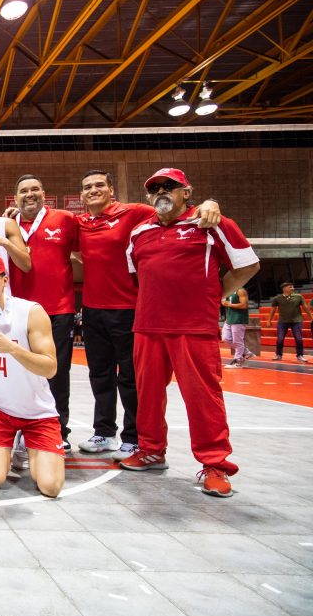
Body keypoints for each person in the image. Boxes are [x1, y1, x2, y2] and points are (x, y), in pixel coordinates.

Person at [121, 168, 259, 498]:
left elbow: (248, 265)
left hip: (193, 328)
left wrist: (215, 295)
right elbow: (136, 277)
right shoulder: (139, 232)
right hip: (148, 327)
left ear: (187, 192)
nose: (162, 192)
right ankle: (152, 450)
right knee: (148, 396)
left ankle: (215, 464)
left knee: (203, 398)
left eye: (170, 186)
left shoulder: (212, 223)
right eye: (155, 189)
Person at [76, 170, 220, 458]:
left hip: (129, 310)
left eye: (99, 185)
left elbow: (173, 207)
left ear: (111, 189)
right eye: (87, 187)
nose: (93, 190)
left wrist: (210, 203)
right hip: (92, 310)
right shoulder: (79, 222)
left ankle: (133, 437)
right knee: (100, 375)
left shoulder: (135, 213)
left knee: (131, 378)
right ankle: (103, 432)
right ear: (81, 195)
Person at [0, 253, 65, 498]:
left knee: (50, 488)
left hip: (38, 413)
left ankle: (23, 444)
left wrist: (14, 349)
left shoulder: (30, 311)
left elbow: (50, 368)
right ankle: (12, 442)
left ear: (5, 279)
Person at [8, 175, 78, 450]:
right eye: (23, 190)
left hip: (57, 309)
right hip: (18, 311)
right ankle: (19, 427)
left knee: (56, 372)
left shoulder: (64, 219)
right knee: (18, 371)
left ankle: (58, 430)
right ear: (15, 198)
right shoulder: (8, 225)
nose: (29, 194)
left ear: (44, 193)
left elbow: (89, 251)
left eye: (35, 189)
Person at [268, 282, 310, 362]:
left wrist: (311, 316)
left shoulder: (299, 297)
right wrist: (269, 320)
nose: (292, 288)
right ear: (284, 289)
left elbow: (305, 307)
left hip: (297, 321)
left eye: (292, 287)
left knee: (299, 339)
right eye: (290, 287)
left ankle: (300, 355)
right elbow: (273, 310)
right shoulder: (277, 298)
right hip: (283, 321)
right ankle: (278, 354)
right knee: (280, 339)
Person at [222, 288, 254, 368]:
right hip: (229, 318)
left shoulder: (240, 291)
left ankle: (238, 361)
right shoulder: (229, 292)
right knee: (225, 339)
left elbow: (244, 305)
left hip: (238, 319)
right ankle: (246, 352)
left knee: (238, 341)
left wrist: (229, 304)